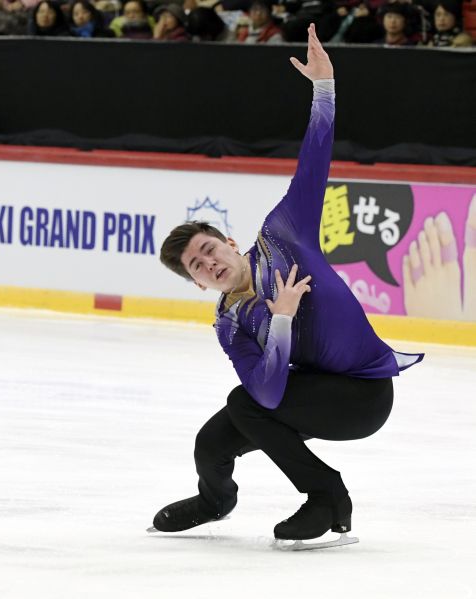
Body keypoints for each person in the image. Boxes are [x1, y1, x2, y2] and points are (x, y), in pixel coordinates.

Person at [152, 24, 423, 548]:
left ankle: (326, 495)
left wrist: (324, 90)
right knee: (212, 441)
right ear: (195, 283)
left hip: (362, 395)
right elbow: (271, 388)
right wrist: (279, 317)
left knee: (244, 404)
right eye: (196, 268)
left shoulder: (283, 235)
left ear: (229, 241)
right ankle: (215, 500)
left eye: (208, 250)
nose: (208, 264)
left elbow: (313, 166)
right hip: (309, 391)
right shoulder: (230, 324)